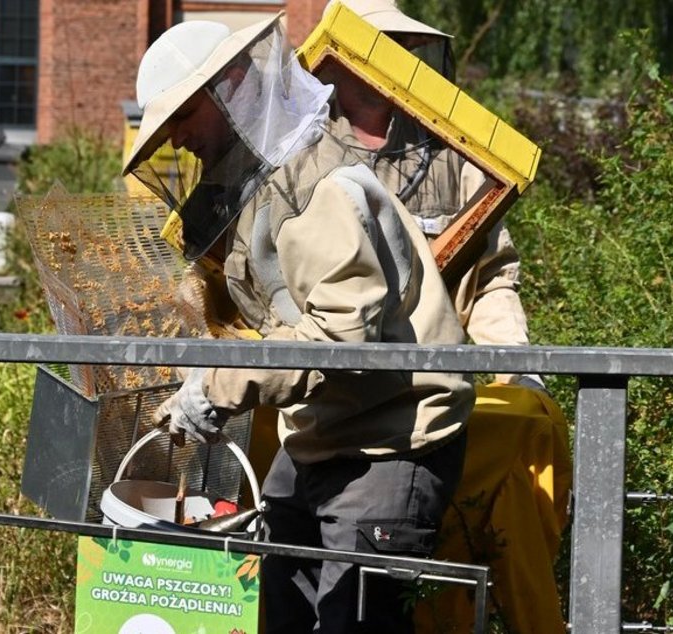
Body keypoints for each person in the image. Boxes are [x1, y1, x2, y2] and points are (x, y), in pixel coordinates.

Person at [123, 14, 474, 634]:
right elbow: (256, 297)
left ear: (231, 87)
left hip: (390, 437)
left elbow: (341, 341)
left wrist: (216, 385)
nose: (176, 142)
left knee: (352, 622)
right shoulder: (269, 178)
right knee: (278, 607)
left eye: (183, 118)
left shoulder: (319, 188)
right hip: (323, 431)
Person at [310, 2, 571, 632]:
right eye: (380, 47)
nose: (396, 63)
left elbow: (490, 277)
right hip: (329, 402)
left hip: (433, 397)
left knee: (528, 433)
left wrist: (515, 366)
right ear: (336, 64)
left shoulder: (451, 158)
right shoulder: (303, 157)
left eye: (404, 48)